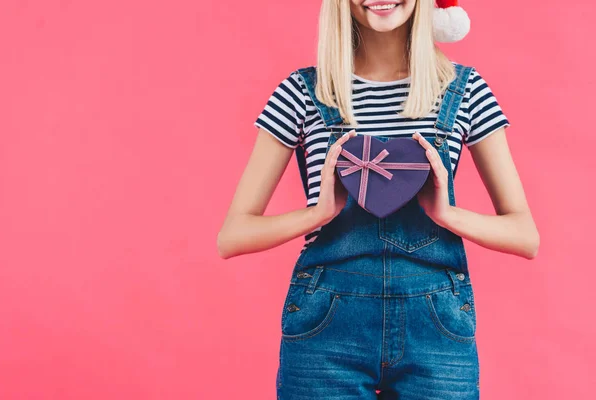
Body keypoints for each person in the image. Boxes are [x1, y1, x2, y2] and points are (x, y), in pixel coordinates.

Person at [217, 0, 540, 398]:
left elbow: (525, 236)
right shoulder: (304, 92)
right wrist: (319, 212)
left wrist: (446, 213)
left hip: (437, 328)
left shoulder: (464, 90)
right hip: (327, 327)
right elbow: (232, 236)